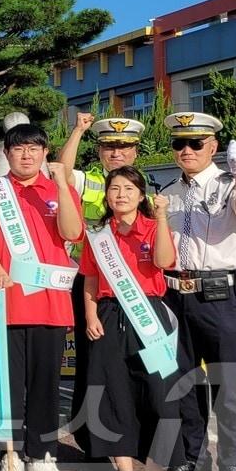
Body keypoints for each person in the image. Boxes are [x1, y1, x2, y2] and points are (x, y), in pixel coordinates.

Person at [0, 124, 83, 471]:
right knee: (10, 387)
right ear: (6, 153)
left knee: (47, 386)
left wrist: (63, 186)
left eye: (34, 149)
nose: (26, 155)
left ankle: (42, 455)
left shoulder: (58, 190)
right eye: (18, 148)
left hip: (52, 304)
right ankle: (12, 455)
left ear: (44, 152)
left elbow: (71, 233)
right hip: (7, 302)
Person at [159, 112, 236, 471]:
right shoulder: (168, 189)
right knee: (183, 381)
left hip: (220, 295)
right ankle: (193, 456)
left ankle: (234, 467)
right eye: (179, 144)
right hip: (176, 294)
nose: (186, 150)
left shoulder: (230, 183)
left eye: (196, 143)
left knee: (227, 384)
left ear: (213, 147)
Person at [81, 168, 177, 471]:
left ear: (140, 195)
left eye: (128, 188)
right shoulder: (97, 235)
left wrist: (162, 218)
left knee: (159, 393)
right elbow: (90, 279)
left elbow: (164, 261)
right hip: (108, 314)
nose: (120, 194)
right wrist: (91, 314)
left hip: (148, 314)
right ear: (106, 196)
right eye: (114, 188)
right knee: (111, 390)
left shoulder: (153, 227)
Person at [55, 114, 149, 453]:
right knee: (91, 359)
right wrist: (78, 130)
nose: (117, 153)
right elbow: (62, 174)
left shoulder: (147, 185)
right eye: (110, 146)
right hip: (93, 283)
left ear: (136, 151)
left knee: (139, 362)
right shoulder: (90, 181)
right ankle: (90, 433)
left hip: (139, 288)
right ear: (99, 151)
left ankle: (138, 432)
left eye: (124, 147)